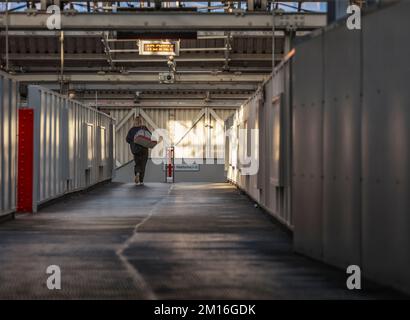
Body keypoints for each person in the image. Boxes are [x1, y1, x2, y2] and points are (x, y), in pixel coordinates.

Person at [126, 116, 150, 185]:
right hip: (144, 149)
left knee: (137, 163)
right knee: (143, 164)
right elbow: (150, 137)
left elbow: (127, 139)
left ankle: (137, 173)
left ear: (134, 122)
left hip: (135, 150)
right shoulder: (144, 128)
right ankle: (141, 180)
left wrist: (133, 142)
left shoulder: (132, 130)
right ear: (141, 122)